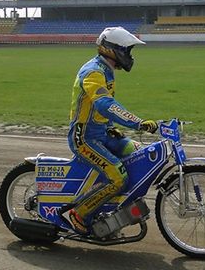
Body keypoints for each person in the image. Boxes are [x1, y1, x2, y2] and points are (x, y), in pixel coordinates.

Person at [64, 26, 158, 235]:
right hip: (85, 139)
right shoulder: (93, 72)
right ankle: (78, 213)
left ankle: (117, 208)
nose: (130, 56)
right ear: (114, 50)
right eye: (128, 50)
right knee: (118, 176)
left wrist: (110, 127)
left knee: (140, 153)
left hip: (104, 135)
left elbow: (101, 113)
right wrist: (138, 122)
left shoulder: (106, 70)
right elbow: (104, 104)